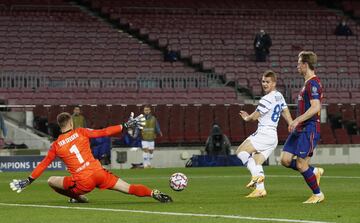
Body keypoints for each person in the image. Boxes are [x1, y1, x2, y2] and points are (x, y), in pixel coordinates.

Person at [9, 112, 172, 203]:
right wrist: (124, 125)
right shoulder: (81, 132)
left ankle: (78, 198)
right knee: (129, 188)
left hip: (83, 182)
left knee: (51, 180)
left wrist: (28, 180)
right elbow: (105, 132)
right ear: (71, 123)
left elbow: (43, 164)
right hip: (99, 173)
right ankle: (154, 193)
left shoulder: (56, 145)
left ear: (60, 126)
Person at [236, 70, 293, 198]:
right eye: (263, 81)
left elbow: (254, 117)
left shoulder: (266, 99)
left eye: (267, 82)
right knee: (256, 162)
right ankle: (260, 190)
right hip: (273, 137)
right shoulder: (279, 95)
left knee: (240, 152)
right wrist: (291, 123)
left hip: (264, 133)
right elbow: (285, 110)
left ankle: (257, 176)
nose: (265, 84)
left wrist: (246, 118)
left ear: (274, 83)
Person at [280, 51, 325, 204]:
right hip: (301, 128)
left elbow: (315, 107)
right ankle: (313, 171)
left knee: (300, 164)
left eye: (299, 63)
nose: (297, 66)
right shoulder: (307, 83)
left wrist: (296, 120)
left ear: (305, 65)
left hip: (309, 128)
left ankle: (318, 194)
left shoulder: (313, 83)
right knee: (285, 160)